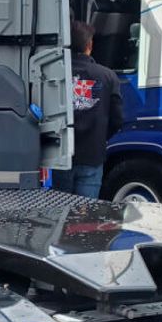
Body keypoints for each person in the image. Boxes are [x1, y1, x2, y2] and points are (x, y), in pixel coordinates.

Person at [51, 19, 123, 199]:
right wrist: (99, 137)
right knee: (86, 218)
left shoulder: (54, 73)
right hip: (92, 155)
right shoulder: (107, 76)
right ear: (89, 44)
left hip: (61, 156)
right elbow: (117, 120)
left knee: (59, 214)